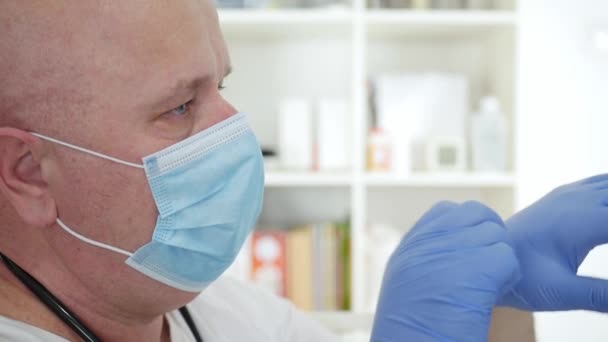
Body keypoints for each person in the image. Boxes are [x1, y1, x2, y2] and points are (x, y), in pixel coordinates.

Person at [1, 1, 607, 342]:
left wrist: (496, 297)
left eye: (223, 85)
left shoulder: (226, 316)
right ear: (29, 171)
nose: (235, 127)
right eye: (179, 108)